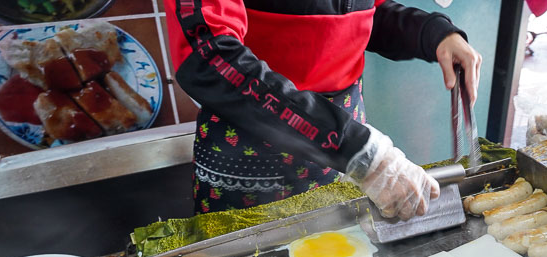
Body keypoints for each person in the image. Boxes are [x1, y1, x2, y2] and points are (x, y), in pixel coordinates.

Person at [165, 1, 482, 219]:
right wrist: (361, 151)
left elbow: (361, 12)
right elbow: (208, 55)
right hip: (250, 144)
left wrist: (432, 33)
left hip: (348, 138)